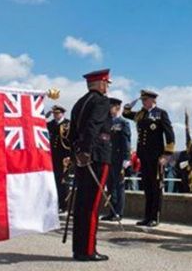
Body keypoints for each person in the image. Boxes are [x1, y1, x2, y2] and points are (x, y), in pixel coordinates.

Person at [67, 68, 113, 261]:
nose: (107, 87)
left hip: (82, 158)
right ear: (101, 84)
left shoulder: (79, 103)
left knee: (81, 205)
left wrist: (76, 152)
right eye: (106, 84)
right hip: (96, 156)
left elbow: (71, 134)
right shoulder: (101, 101)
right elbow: (93, 125)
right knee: (92, 206)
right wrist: (86, 151)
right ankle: (87, 250)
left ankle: (79, 249)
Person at [122, 89, 175, 227]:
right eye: (142, 100)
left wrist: (167, 155)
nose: (143, 102)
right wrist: (132, 102)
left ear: (153, 100)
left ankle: (154, 217)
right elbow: (125, 113)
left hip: (157, 156)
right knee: (147, 186)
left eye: (145, 100)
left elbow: (169, 134)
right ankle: (147, 216)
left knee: (156, 187)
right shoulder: (141, 114)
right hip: (143, 156)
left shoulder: (160, 113)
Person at [102, 97, 130, 221]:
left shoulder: (123, 122)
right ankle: (112, 211)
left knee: (119, 186)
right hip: (109, 157)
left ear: (117, 108)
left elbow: (126, 141)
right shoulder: (107, 122)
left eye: (111, 107)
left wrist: (126, 158)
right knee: (110, 185)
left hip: (119, 158)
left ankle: (119, 212)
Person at [47, 105, 71, 212]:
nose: (55, 115)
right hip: (53, 155)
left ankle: (63, 205)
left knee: (63, 181)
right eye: (54, 114)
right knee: (54, 180)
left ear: (62, 113)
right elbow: (39, 124)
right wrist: (46, 115)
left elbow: (70, 140)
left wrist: (69, 155)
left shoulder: (68, 123)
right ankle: (55, 204)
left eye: (57, 113)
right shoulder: (51, 124)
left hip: (64, 156)